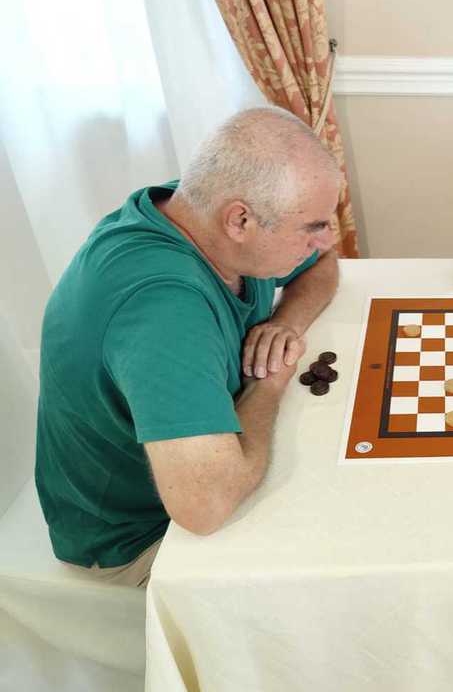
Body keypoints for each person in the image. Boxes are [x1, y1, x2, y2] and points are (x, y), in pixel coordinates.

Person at [35, 107, 341, 586]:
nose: (326, 239)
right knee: (339, 562)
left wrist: (285, 323)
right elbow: (206, 506)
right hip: (140, 541)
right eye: (313, 227)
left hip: (200, 472)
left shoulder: (202, 214)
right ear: (240, 219)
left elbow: (325, 264)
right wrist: (267, 384)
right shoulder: (163, 310)